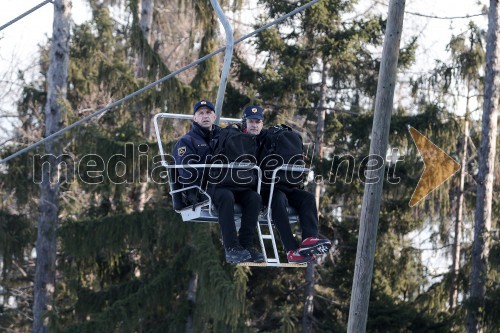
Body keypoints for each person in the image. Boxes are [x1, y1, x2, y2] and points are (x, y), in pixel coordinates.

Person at [173, 100, 264, 264]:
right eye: (200, 113)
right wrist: (211, 171)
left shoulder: (226, 135)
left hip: (229, 181)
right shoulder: (187, 141)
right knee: (225, 196)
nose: (205, 116)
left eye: (208, 112)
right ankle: (231, 248)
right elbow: (187, 171)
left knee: (253, 198)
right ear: (194, 118)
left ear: (214, 116)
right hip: (202, 187)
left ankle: (245, 245)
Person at [243, 105, 332, 264]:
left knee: (308, 198)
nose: (254, 125)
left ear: (262, 123)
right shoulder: (241, 140)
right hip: (262, 189)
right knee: (278, 199)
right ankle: (291, 250)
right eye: (251, 121)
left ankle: (309, 240)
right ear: (245, 122)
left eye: (257, 122)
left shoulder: (269, 138)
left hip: (283, 183)